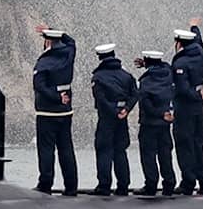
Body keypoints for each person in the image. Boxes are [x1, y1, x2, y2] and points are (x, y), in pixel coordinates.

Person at [30, 26, 80, 196]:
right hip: (65, 112)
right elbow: (71, 41)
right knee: (66, 149)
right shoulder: (68, 55)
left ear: (48, 41)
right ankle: (71, 186)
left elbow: (39, 86)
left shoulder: (44, 62)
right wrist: (55, 31)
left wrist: (56, 97)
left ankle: (45, 184)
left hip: (47, 112)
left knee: (46, 150)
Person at [87, 42, 137, 197]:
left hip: (107, 119)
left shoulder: (98, 77)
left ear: (100, 58)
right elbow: (135, 94)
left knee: (104, 151)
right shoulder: (126, 76)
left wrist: (114, 112)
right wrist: (126, 110)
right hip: (123, 119)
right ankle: (123, 186)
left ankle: (104, 186)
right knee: (120, 151)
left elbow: (101, 100)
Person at [170, 25, 203, 195]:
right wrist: (195, 28)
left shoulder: (181, 62)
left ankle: (188, 182)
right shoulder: (200, 56)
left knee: (184, 145)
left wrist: (196, 96)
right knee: (198, 144)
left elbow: (182, 89)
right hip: (198, 110)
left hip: (185, 109)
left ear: (179, 43)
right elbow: (199, 43)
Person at [135, 46, 180, 197]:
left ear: (146, 62)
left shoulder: (146, 81)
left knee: (148, 155)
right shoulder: (168, 73)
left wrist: (160, 114)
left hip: (150, 123)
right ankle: (169, 183)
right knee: (165, 154)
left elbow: (146, 105)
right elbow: (165, 65)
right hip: (165, 124)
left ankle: (151, 184)